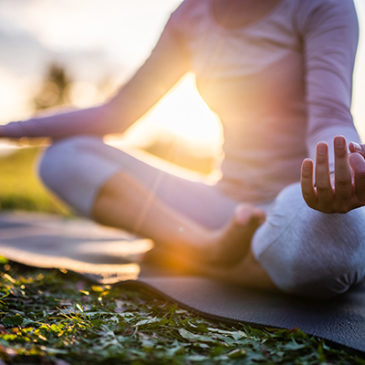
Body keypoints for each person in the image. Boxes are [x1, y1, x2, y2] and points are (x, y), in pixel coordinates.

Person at [0, 0, 364, 297]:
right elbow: (117, 114)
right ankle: (205, 249)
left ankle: (188, 254)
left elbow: (329, 116)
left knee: (329, 245)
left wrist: (338, 169)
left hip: (300, 204)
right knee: (63, 157)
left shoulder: (323, 6)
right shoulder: (191, 16)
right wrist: (9, 130)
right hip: (223, 209)